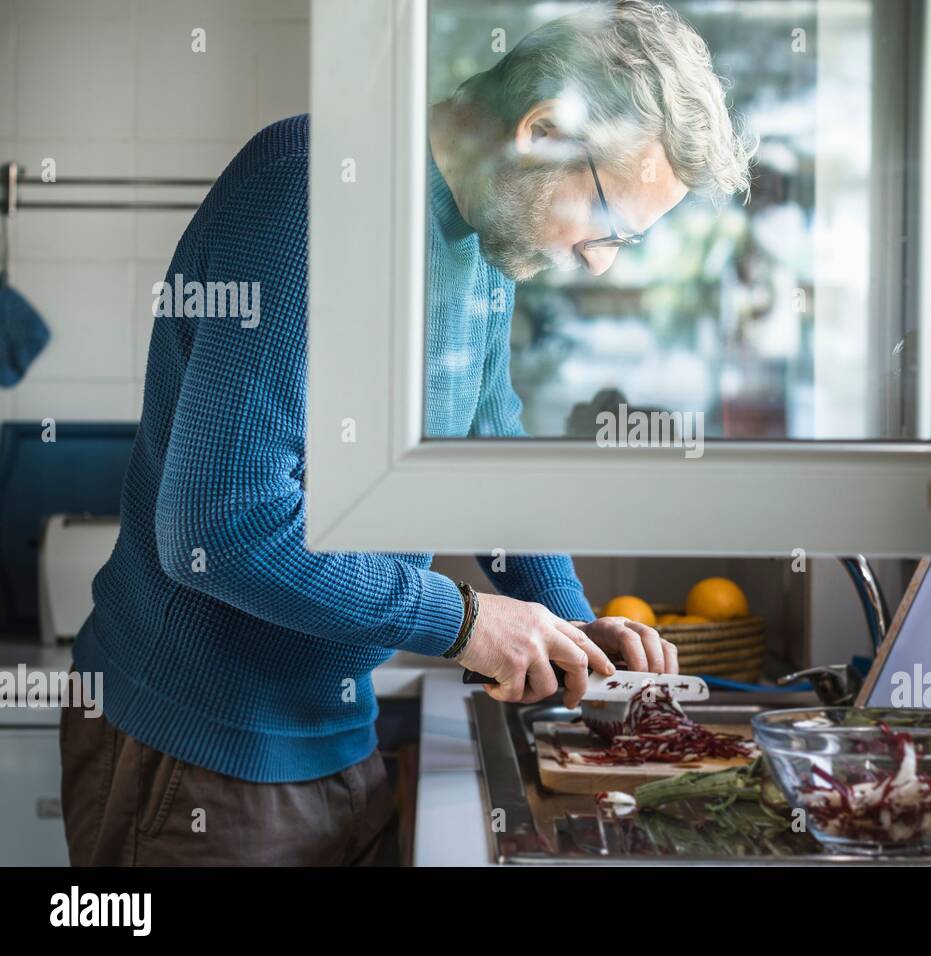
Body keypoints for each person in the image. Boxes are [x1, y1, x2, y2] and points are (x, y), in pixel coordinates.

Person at [60, 0, 756, 865]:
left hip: (337, 732)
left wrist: (578, 643)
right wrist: (466, 623)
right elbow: (220, 526)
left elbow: (488, 460)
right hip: (200, 753)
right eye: (607, 223)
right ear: (541, 132)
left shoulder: (486, 231)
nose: (599, 260)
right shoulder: (310, 199)